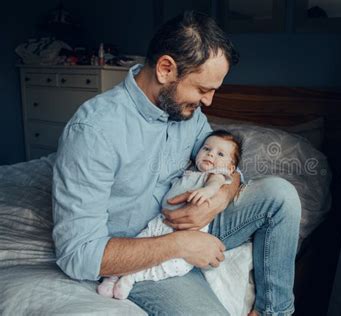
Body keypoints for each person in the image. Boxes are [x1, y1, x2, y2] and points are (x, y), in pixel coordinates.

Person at [52, 11, 301, 316]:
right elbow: (79, 255)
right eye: (202, 89)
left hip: (197, 221)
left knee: (280, 195)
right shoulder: (94, 131)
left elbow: (227, 166)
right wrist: (181, 245)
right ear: (166, 68)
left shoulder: (188, 113)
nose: (208, 102)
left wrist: (219, 197)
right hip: (140, 252)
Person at [97, 130, 241, 300]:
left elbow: (216, 183)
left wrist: (208, 191)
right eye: (206, 148)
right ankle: (114, 275)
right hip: (161, 222)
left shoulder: (215, 175)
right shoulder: (190, 170)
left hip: (187, 232)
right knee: (140, 244)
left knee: (177, 265)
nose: (210, 154)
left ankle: (131, 278)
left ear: (230, 168)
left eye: (220, 154)